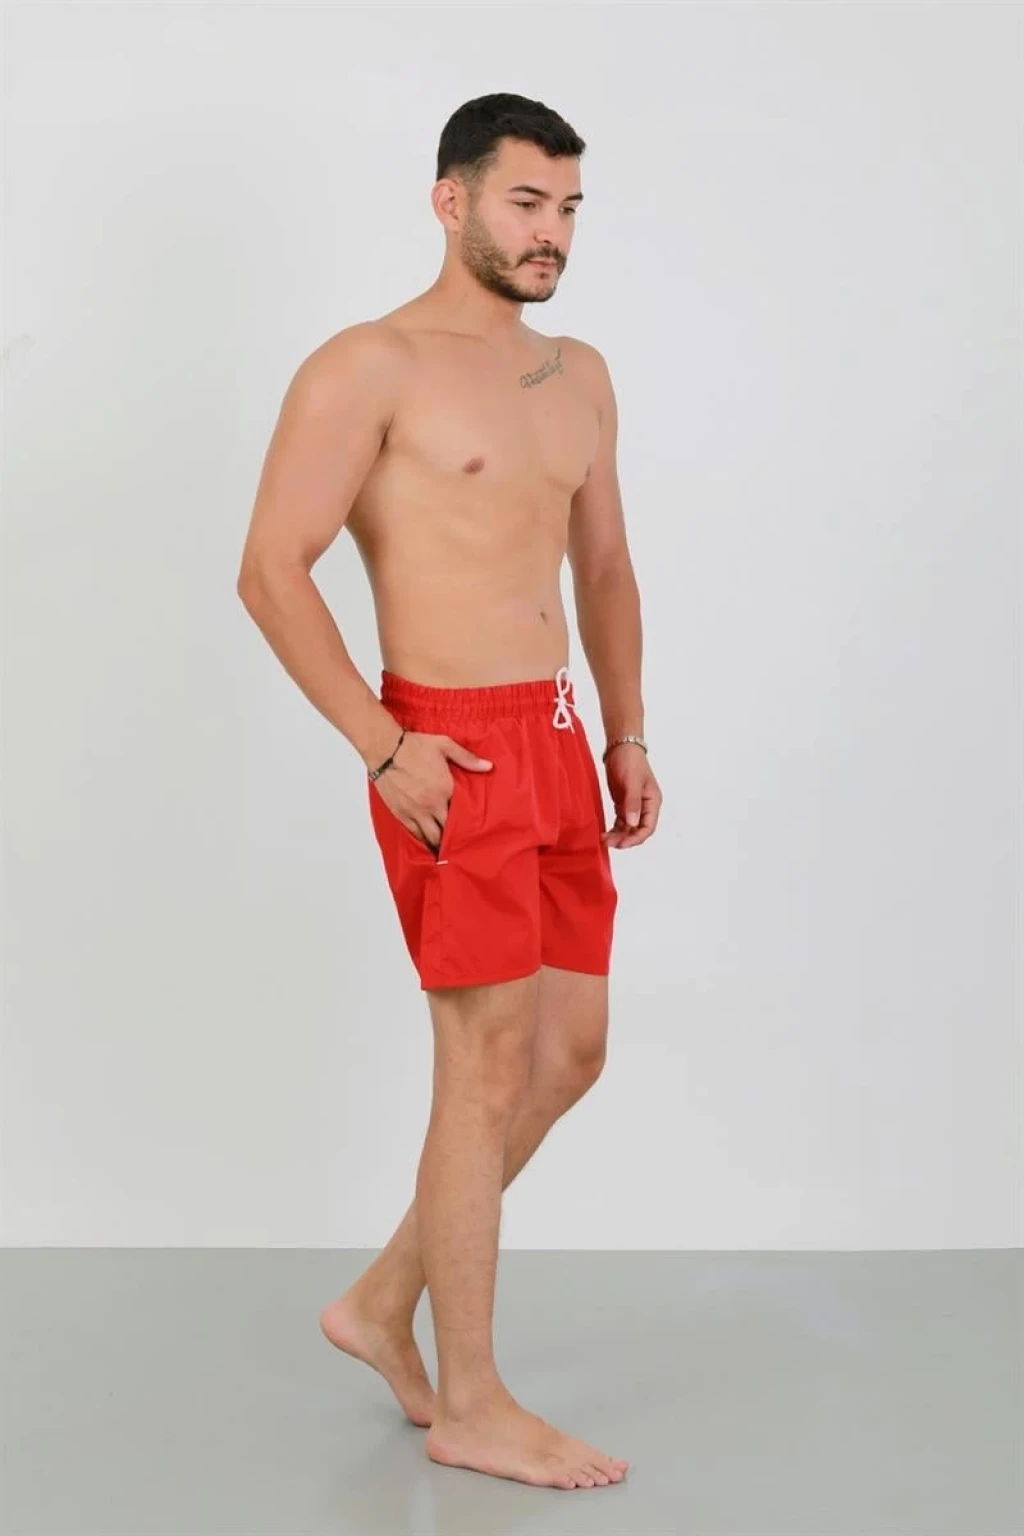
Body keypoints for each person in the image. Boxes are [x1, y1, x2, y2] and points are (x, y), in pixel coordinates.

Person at [237, 91, 662, 1491]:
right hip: (449, 748)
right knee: (480, 1070)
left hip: (557, 736)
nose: (553, 234)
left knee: (569, 1054)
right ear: (452, 200)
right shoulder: (369, 365)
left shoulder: (577, 373)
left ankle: (379, 1304)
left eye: (570, 209)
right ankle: (470, 1401)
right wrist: (380, 742)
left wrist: (626, 732)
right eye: (527, 204)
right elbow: (271, 569)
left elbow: (605, 566)